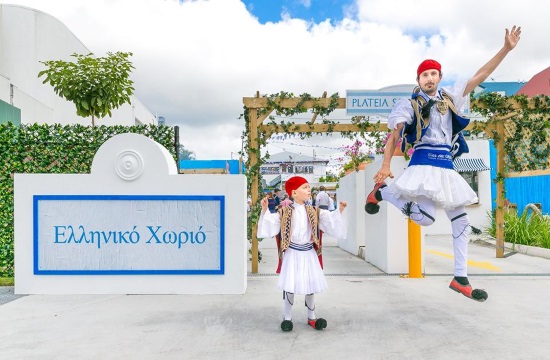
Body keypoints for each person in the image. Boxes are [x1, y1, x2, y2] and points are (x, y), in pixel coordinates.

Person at [365, 25, 522, 302]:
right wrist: (386, 164)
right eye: (424, 74)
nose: (429, 78)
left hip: (446, 166)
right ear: (419, 78)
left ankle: (460, 277)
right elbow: (395, 134)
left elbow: (480, 75)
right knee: (425, 219)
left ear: (439, 76)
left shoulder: (451, 97)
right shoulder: (408, 104)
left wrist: (506, 50)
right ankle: (384, 193)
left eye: (433, 73)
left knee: (460, 219)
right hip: (423, 162)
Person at [257, 176, 347, 331]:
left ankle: (312, 317)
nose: (308, 190)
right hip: (292, 253)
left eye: (308, 187)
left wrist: (339, 211)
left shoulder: (314, 211)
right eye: (305, 187)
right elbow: (269, 223)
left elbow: (330, 218)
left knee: (310, 285)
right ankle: (287, 318)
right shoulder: (283, 212)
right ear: (294, 193)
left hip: (308, 253)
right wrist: (264, 209)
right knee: (290, 286)